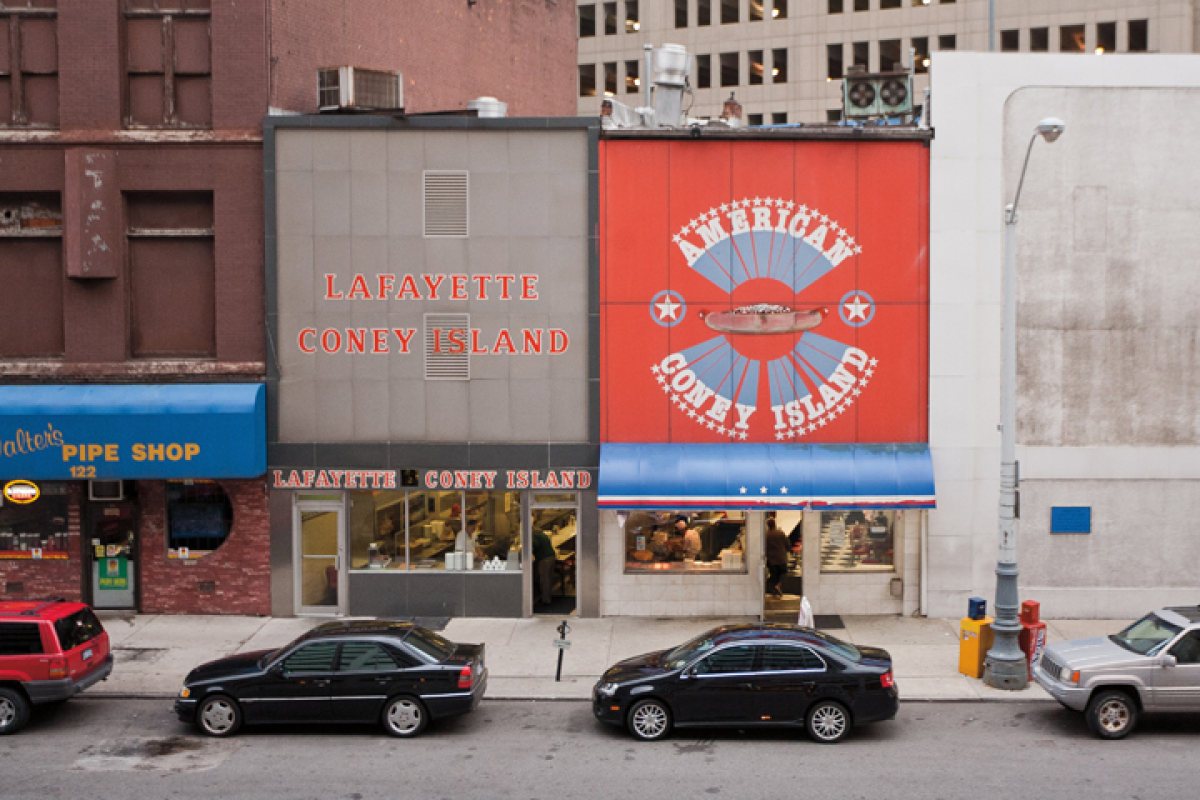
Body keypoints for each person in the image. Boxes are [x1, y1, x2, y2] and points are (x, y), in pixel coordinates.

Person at [765, 518, 790, 599]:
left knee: (774, 574)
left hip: (771, 559)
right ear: (774, 524)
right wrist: (787, 549)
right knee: (783, 572)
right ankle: (778, 586)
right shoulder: (780, 533)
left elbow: (763, 547)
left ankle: (775, 588)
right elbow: (787, 544)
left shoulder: (766, 535)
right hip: (781, 558)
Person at [532, 526, 557, 606]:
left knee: (544, 580)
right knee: (549, 578)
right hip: (551, 557)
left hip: (544, 559)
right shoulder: (543, 534)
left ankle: (546, 600)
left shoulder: (533, 536)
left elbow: (535, 545)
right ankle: (548, 596)